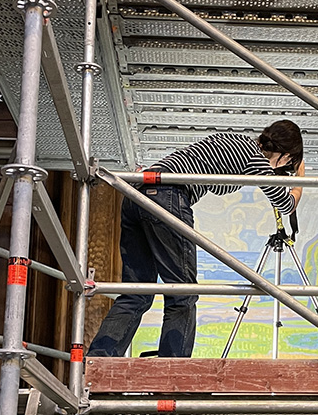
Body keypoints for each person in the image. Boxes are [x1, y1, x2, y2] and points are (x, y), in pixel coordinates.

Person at [88, 120, 304, 357]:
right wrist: (300, 179)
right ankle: (173, 368)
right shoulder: (256, 158)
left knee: (136, 291)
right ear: (284, 156)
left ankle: (99, 359)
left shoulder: (233, 137)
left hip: (136, 193)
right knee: (183, 293)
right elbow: (285, 204)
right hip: (168, 195)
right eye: (286, 164)